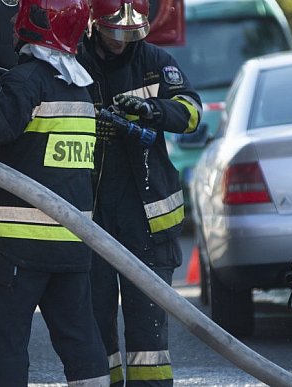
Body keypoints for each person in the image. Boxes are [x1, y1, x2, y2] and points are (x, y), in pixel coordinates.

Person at [0, 0, 109, 385]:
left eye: (22, 13)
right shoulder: (79, 88)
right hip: (70, 245)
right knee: (81, 342)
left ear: (37, 21)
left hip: (18, 248)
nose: (14, 19)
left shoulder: (28, 80)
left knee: (4, 345)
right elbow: (31, 132)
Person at [76, 1, 202, 385]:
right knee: (95, 322)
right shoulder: (74, 63)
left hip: (147, 219)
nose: (121, 41)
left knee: (148, 328)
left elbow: (191, 113)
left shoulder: (155, 62)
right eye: (115, 32)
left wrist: (151, 110)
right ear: (96, 24)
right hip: (91, 216)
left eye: (129, 33)